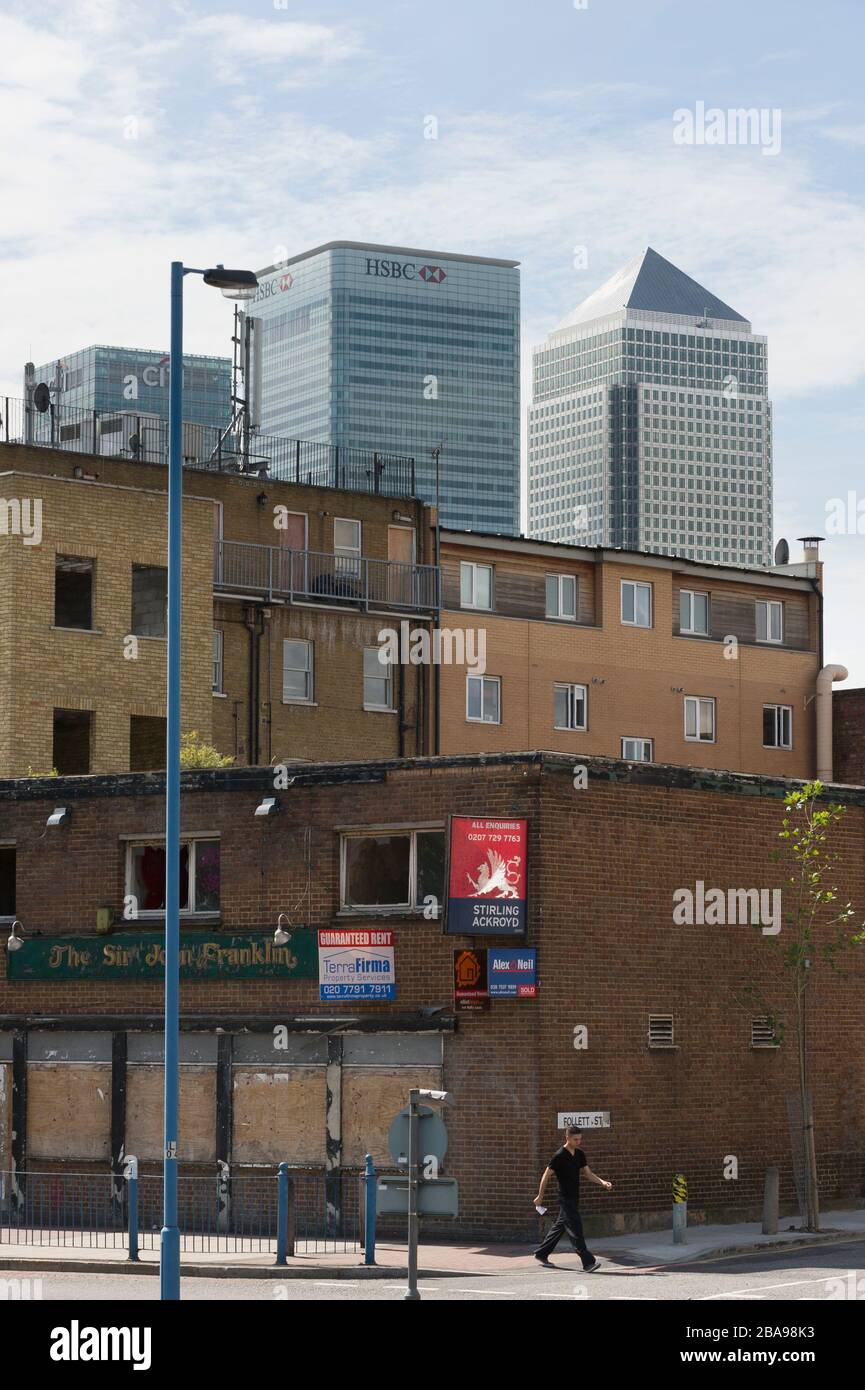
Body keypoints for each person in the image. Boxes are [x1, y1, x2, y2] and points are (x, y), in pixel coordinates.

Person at [532, 1126, 612, 1269]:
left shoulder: (580, 1154)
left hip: (574, 1197)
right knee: (576, 1229)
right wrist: (540, 1196)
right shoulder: (559, 1155)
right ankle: (588, 1262)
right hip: (565, 1198)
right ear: (567, 1138)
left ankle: (542, 1253)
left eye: (580, 1139)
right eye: (575, 1139)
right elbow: (546, 1176)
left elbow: (588, 1173)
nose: (578, 1142)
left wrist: (602, 1182)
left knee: (560, 1226)